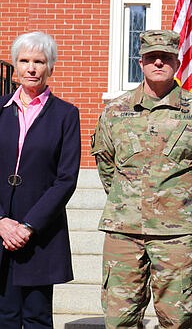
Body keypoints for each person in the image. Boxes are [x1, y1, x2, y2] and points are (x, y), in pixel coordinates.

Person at [90, 30, 192, 328]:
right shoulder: (115, 111)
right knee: (119, 317)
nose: (159, 63)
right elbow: (106, 165)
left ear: (177, 62)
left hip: (176, 232)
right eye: (152, 57)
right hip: (123, 229)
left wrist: (178, 205)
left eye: (166, 57)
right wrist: (129, 200)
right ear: (141, 63)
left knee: (176, 318)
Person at [0, 31, 81, 328]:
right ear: (15, 65)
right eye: (24, 61)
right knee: (4, 316)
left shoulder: (66, 115)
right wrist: (1, 221)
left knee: (36, 317)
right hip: (0, 230)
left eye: (39, 61)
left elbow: (66, 178)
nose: (31, 68)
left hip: (40, 233)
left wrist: (27, 225)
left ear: (51, 67)